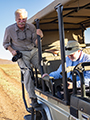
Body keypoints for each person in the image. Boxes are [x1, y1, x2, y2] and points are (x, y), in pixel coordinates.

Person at [3, 9, 43, 107]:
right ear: (15, 19)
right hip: (21, 53)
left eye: (24, 19)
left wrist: (40, 37)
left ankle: (51, 87)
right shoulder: (9, 29)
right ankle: (33, 98)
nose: (22, 21)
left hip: (33, 51)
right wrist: (12, 51)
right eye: (19, 19)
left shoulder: (32, 27)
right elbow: (6, 43)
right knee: (27, 72)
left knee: (43, 67)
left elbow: (35, 43)